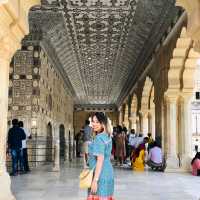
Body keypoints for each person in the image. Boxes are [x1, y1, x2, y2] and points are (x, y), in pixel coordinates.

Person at [87, 112, 114, 200]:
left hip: (100, 175)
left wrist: (95, 180)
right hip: (108, 172)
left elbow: (100, 160)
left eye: (97, 122)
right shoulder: (107, 136)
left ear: (103, 123)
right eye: (93, 121)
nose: (94, 124)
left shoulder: (99, 138)